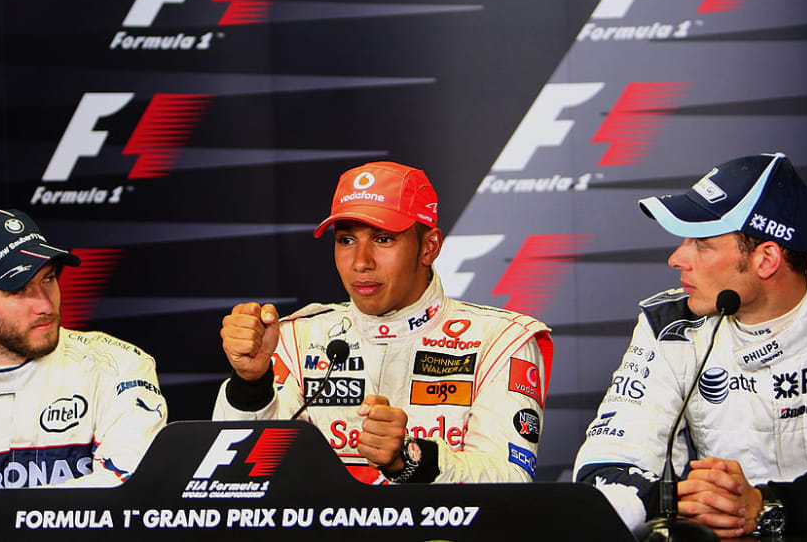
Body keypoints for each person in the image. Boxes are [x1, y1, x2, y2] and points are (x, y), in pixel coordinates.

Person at [573, 153, 807, 537]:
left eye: (702, 244)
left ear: (767, 259)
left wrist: (771, 506)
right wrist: (684, 500)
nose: (677, 258)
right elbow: (602, 469)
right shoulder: (669, 326)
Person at [213, 161, 553, 483]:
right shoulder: (293, 338)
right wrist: (250, 384)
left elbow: (510, 480)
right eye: (346, 240)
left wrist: (412, 459)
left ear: (429, 247)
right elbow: (241, 479)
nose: (361, 262)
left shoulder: (500, 341)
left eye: (383, 239)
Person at [0, 208, 167, 488]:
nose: (45, 304)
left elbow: (126, 491)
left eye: (48, 278)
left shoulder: (119, 366)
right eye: (18, 289)